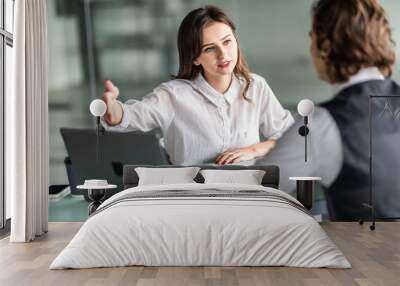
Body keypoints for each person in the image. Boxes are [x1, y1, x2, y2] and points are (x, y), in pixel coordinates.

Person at [259, 0, 400, 221]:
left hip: (360, 254)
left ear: (325, 46)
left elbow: (257, 192)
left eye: (311, 37)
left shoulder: (320, 125)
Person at [101, 6, 294, 166]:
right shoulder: (173, 95)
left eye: (227, 42)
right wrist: (112, 108)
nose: (223, 54)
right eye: (209, 49)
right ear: (195, 58)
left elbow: (292, 137)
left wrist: (252, 150)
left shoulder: (255, 86)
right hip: (191, 196)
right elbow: (131, 116)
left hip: (247, 192)